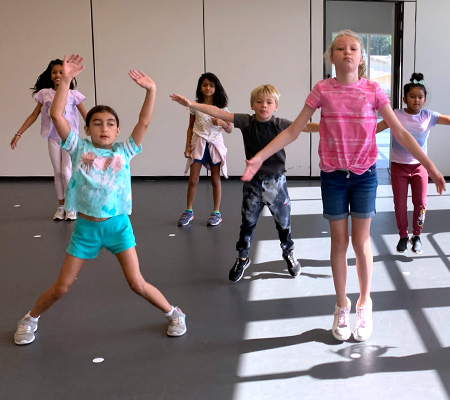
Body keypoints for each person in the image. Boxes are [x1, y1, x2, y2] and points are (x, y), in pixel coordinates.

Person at [240, 30, 446, 342]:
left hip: (364, 175)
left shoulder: (374, 90)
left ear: (362, 58)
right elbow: (294, 130)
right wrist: (258, 157)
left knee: (361, 242)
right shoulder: (322, 90)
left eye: (353, 48)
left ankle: (364, 303)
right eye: (340, 48)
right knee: (339, 242)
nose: (347, 52)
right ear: (331, 56)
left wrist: (430, 166)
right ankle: (341, 304)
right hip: (333, 176)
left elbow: (401, 133)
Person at [13, 54, 187, 346]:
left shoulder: (125, 151)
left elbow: (144, 122)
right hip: (86, 229)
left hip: (118, 227)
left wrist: (151, 90)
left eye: (109, 124)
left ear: (117, 130)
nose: (103, 128)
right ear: (87, 128)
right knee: (62, 286)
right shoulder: (78, 148)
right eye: (96, 123)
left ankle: (174, 313)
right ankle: (29, 319)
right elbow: (56, 116)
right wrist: (65, 81)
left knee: (137, 283)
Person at [171, 84, 318, 280]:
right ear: (252, 105)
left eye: (268, 102)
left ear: (275, 106)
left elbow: (306, 126)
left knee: (283, 224)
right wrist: (192, 104)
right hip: (253, 185)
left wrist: (334, 127)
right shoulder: (246, 122)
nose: (263, 106)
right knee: (247, 223)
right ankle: (242, 257)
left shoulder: (279, 124)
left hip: (276, 184)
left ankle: (288, 253)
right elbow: (217, 112)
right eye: (259, 102)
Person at [376, 72, 450, 254]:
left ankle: (417, 235)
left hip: (419, 166)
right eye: (412, 97)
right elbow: (376, 128)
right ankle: (403, 236)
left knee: (420, 203)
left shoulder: (428, 116)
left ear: (425, 99)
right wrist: (353, 137)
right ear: (404, 99)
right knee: (399, 203)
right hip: (399, 166)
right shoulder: (395, 115)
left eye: (420, 97)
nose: (416, 100)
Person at [11, 59, 88, 221]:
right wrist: (19, 133)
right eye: (55, 72)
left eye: (62, 72)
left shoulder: (73, 95)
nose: (58, 75)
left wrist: (95, 131)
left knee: (67, 172)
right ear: (50, 75)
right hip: (53, 138)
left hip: (70, 139)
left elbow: (86, 115)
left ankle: (71, 206)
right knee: (58, 172)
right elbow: (34, 115)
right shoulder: (45, 94)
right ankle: (61, 206)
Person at [177, 72, 232, 227]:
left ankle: (216, 212)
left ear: (217, 88)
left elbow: (229, 129)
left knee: (215, 179)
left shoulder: (222, 108)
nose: (208, 88)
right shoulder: (196, 106)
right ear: (200, 87)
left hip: (214, 145)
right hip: (199, 143)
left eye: (212, 85)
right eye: (205, 85)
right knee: (193, 179)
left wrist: (222, 122)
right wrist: (188, 145)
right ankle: (189, 210)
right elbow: (190, 127)